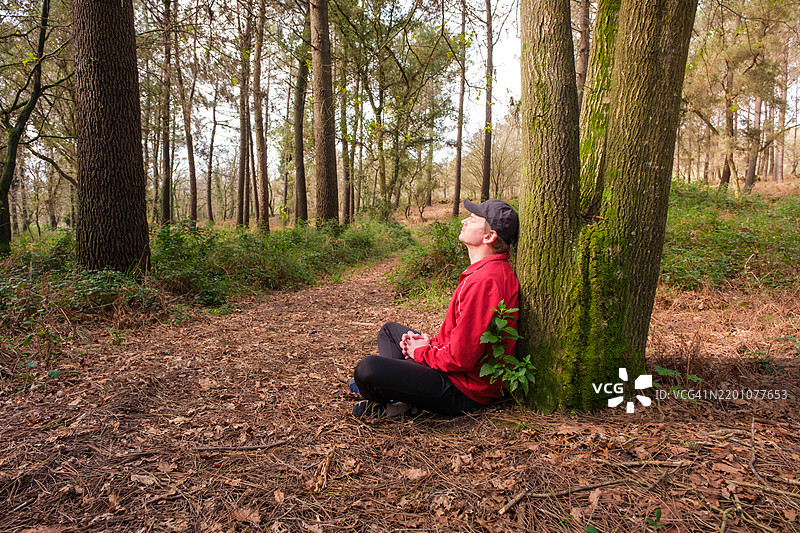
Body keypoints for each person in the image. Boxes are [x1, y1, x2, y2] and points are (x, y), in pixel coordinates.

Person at [351, 199, 520, 418]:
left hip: (463, 389)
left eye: (474, 219)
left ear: (489, 236)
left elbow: (462, 358)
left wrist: (420, 352)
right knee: (389, 331)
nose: (464, 220)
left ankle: (393, 398)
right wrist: (429, 344)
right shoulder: (486, 271)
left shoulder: (486, 281)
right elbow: (461, 340)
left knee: (367, 369)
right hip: (454, 370)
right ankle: (401, 394)